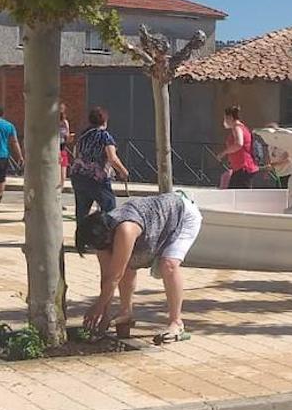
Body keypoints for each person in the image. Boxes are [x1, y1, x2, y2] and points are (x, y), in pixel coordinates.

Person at [76, 192, 203, 345]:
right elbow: (107, 276)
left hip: (181, 216)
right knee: (125, 264)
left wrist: (98, 306)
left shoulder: (125, 229)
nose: (100, 250)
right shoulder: (101, 235)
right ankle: (126, 313)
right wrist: (104, 314)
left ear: (107, 236)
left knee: (168, 264)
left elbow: (116, 275)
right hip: (154, 221)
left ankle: (176, 323)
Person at [69, 106, 129, 224]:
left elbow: (76, 153)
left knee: (82, 212)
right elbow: (112, 158)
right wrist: (123, 171)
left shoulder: (83, 135)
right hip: (97, 177)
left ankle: (81, 239)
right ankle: (107, 237)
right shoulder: (105, 136)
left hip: (78, 175)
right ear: (105, 121)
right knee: (109, 208)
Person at [216, 105, 258, 189]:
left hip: (243, 168)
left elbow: (239, 144)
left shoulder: (237, 128)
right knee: (234, 195)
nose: (224, 121)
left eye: (225, 118)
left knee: (238, 196)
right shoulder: (241, 127)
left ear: (230, 117)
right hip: (240, 168)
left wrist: (224, 153)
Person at [58, 102, 71, 193]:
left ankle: (58, 196)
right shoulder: (51, 122)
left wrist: (69, 137)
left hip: (62, 149)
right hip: (54, 150)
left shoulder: (65, 122)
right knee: (55, 175)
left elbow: (67, 136)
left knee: (63, 176)